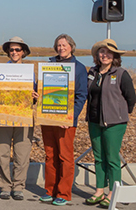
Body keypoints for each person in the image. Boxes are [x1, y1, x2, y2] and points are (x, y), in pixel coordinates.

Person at [84, 39, 136, 207]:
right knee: (98, 157)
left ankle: (114, 192)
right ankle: (100, 190)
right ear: (97, 55)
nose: (104, 55)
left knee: (112, 158)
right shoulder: (92, 72)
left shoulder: (121, 73)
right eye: (101, 52)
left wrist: (120, 112)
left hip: (114, 123)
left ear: (114, 56)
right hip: (94, 121)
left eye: (108, 52)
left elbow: (131, 97)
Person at [38, 34, 87, 206]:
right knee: (50, 155)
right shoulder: (50, 65)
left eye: (64, 45)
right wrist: (38, 95)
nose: (61, 48)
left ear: (72, 47)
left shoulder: (79, 68)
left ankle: (64, 193)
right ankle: (50, 190)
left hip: (66, 120)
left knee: (65, 156)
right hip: (48, 117)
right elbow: (44, 88)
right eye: (58, 45)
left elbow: (81, 96)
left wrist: (71, 118)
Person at [0, 36, 37, 200]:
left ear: (23, 52)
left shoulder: (30, 72)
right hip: (3, 113)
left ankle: (18, 186)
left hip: (24, 115)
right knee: (2, 151)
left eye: (18, 49)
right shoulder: (0, 70)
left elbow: (34, 96)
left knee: (22, 152)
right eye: (12, 49)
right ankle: (4, 185)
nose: (14, 52)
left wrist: (34, 96)